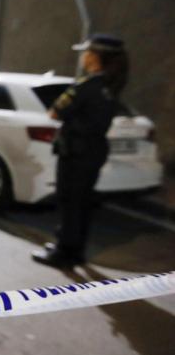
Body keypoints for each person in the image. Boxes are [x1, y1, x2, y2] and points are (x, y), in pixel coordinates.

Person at [32, 33, 129, 269]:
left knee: (69, 201)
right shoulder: (111, 85)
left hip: (75, 152)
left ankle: (63, 253)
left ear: (95, 57)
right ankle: (75, 250)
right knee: (83, 203)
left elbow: (55, 112)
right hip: (94, 151)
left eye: (87, 52)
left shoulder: (87, 85)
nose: (84, 57)